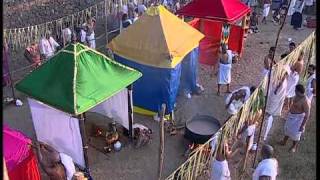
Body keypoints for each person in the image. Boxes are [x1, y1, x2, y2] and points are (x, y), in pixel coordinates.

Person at [263, 65, 290, 141]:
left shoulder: (282, 81)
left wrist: (275, 90)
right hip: (275, 99)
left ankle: (264, 133)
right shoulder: (284, 81)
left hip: (275, 98)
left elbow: (278, 86)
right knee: (269, 114)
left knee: (268, 114)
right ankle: (265, 132)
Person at [280, 84, 310, 152]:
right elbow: (293, 104)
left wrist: (303, 125)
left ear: (299, 91)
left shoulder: (305, 101)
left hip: (298, 119)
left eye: (296, 90)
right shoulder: (297, 96)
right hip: (291, 116)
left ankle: (294, 147)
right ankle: (284, 141)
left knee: (295, 134)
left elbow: (307, 114)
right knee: (287, 129)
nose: (295, 91)